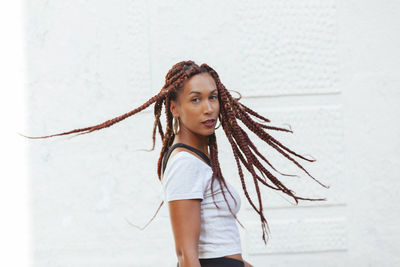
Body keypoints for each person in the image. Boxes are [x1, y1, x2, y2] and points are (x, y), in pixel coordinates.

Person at [20, 60, 329, 267]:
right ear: (174, 107)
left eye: (213, 97)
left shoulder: (198, 161)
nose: (208, 109)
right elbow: (186, 254)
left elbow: (217, 242)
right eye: (195, 99)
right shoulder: (185, 164)